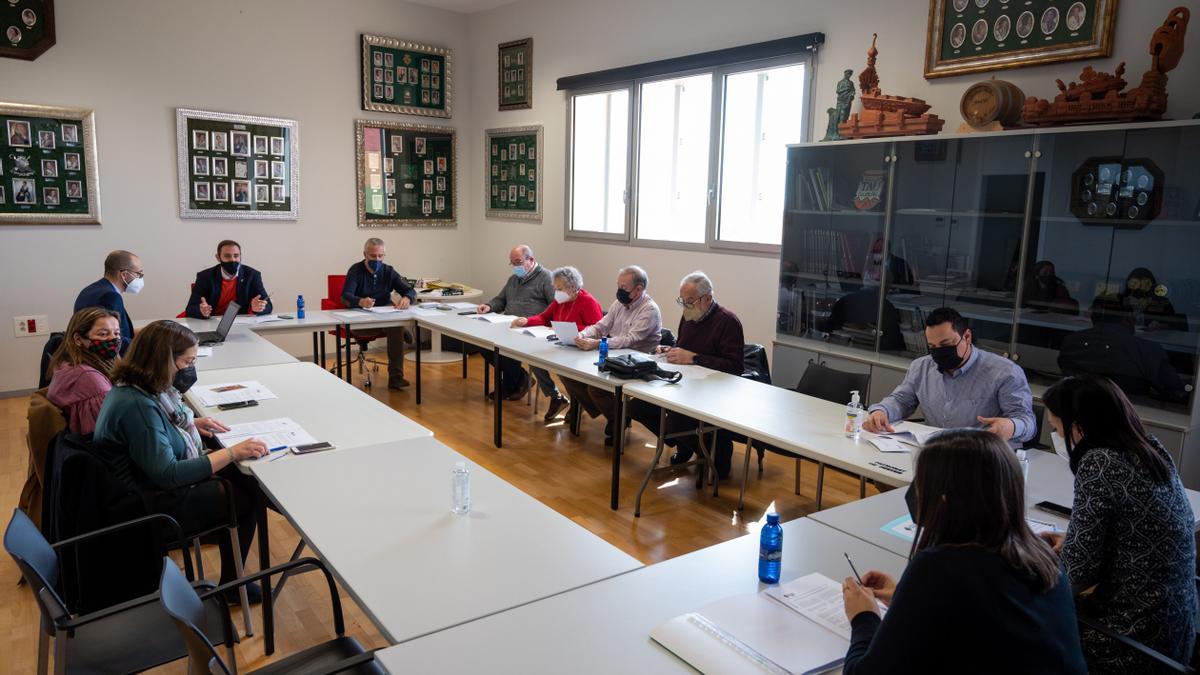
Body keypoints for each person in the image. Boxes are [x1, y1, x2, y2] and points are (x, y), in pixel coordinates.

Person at [840, 429, 1086, 674]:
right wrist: (903, 598)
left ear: (944, 500)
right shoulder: (1043, 557)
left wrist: (864, 616)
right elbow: (979, 620)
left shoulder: (940, 567)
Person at [92, 320, 269, 597]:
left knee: (238, 475)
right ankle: (233, 586)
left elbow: (158, 434)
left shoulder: (136, 388)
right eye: (187, 362)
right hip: (148, 506)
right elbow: (169, 474)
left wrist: (191, 425)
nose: (190, 369)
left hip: (140, 489)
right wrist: (232, 452)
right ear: (163, 360)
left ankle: (234, 582)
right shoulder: (138, 406)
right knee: (246, 494)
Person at [1041, 376, 1197, 673]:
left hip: (1127, 639)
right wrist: (1071, 538)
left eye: (1056, 427)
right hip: (1176, 629)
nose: (1055, 434)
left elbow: (1076, 574)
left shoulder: (1099, 462)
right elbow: (1133, 534)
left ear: (1079, 426)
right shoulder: (1151, 448)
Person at [625, 272, 744, 478]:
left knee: (677, 421)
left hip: (713, 390)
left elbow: (735, 366)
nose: (685, 306)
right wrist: (669, 350)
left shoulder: (727, 321)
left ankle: (714, 452)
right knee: (636, 407)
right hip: (684, 383)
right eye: (683, 301)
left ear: (707, 298)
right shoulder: (689, 316)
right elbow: (683, 347)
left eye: (690, 301)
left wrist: (695, 358)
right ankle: (683, 443)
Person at [863, 307, 1036, 448]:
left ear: (966, 337)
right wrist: (881, 411)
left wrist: (1011, 426)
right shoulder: (922, 366)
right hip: (936, 452)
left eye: (946, 344)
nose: (939, 352)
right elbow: (901, 400)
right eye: (932, 346)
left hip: (984, 456)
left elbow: (1027, 422)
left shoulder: (1005, 372)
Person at [560, 266, 662, 444]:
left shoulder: (649, 310)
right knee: (568, 373)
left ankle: (618, 417)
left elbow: (630, 340)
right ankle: (616, 413)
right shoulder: (619, 304)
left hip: (637, 362)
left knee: (596, 388)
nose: (619, 291)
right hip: (614, 356)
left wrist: (597, 343)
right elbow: (601, 326)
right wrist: (583, 334)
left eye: (624, 288)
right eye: (618, 286)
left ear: (639, 289)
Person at [511, 266, 603, 421]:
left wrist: (567, 328)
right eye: (555, 288)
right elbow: (544, 317)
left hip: (582, 348)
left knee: (562, 369)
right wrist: (526, 321)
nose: (556, 292)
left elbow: (597, 329)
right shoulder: (561, 300)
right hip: (562, 344)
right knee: (535, 359)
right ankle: (556, 396)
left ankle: (578, 402)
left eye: (559, 288)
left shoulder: (588, 302)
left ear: (573, 287)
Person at [1058, 294, 1185, 403]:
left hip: (1076, 408)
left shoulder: (1071, 342)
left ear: (1092, 318)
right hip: (1129, 416)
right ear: (1129, 319)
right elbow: (1176, 389)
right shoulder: (1148, 350)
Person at [476, 244, 555, 401]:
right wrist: (489, 306)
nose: (515, 266)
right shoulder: (513, 279)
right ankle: (520, 379)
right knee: (483, 345)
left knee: (506, 349)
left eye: (518, 262)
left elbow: (555, 306)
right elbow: (501, 300)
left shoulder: (546, 278)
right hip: (509, 324)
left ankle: (510, 385)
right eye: (512, 263)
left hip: (532, 327)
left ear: (530, 260)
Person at [341, 238, 417, 389]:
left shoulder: (388, 271)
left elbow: (410, 290)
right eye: (373, 256)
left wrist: (407, 298)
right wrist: (360, 301)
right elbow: (345, 296)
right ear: (365, 254)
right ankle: (402, 331)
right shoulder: (355, 270)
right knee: (396, 327)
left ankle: (396, 378)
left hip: (385, 315)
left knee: (395, 326)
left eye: (380, 256)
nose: (377, 260)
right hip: (362, 321)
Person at [45, 308, 121, 435]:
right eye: (103, 334)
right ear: (78, 339)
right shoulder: (89, 379)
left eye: (117, 333)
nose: (113, 339)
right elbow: (110, 432)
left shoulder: (66, 363)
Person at [74, 250, 142, 354]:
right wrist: (148, 342)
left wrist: (145, 332)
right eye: (138, 274)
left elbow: (109, 332)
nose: (140, 279)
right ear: (124, 275)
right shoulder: (111, 297)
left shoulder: (90, 289)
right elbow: (114, 341)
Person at [184, 240, 273, 319]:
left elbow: (268, 306)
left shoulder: (252, 275)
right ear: (218, 258)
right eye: (227, 256)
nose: (233, 259)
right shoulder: (205, 276)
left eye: (236, 255)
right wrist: (201, 311)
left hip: (240, 322)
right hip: (212, 322)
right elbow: (190, 309)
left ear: (240, 256)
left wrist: (257, 308)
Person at [1120, 267, 1185, 332]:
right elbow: (1111, 323)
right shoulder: (1119, 302)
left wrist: (1162, 326)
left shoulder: (1162, 304)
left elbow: (1179, 326)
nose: (1139, 289)